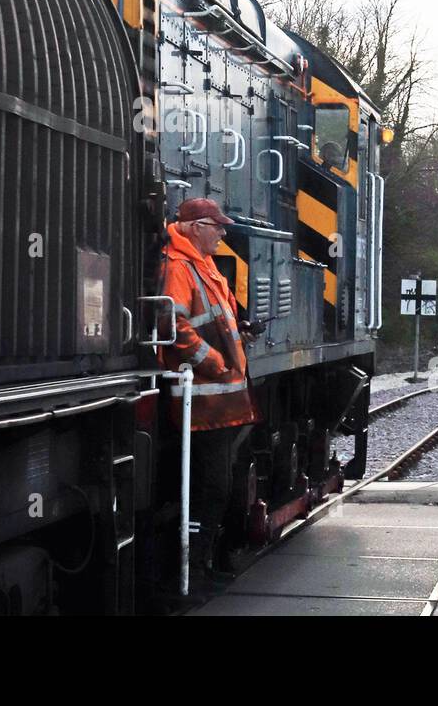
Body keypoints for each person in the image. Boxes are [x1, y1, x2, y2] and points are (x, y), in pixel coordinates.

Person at [157, 198, 259, 586]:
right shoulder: (179, 267)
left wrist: (242, 331)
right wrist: (216, 362)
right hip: (202, 401)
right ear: (196, 226)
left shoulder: (203, 266)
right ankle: (193, 571)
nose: (223, 233)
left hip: (220, 402)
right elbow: (175, 324)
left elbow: (218, 319)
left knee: (218, 487)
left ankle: (204, 565)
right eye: (217, 227)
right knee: (211, 488)